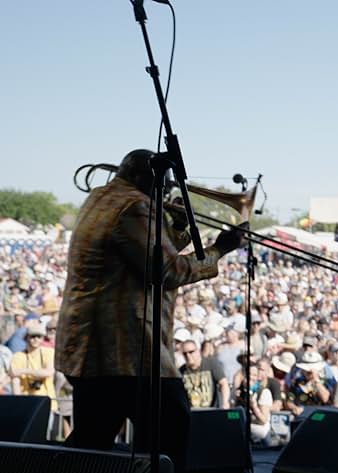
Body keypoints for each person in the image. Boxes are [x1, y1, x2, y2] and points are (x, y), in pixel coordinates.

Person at [55, 149, 246, 473]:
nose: (169, 192)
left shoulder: (103, 197)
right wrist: (219, 250)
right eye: (165, 185)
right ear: (148, 179)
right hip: (125, 350)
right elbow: (165, 271)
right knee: (169, 425)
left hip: (92, 348)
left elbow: (142, 254)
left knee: (92, 441)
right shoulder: (134, 205)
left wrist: (179, 229)